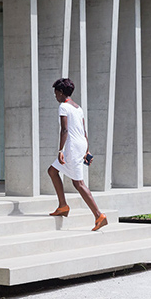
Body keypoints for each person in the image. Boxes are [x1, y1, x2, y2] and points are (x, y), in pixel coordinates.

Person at [47, 78, 108, 231]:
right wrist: (87, 149)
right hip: (81, 144)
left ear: (61, 93)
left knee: (78, 183)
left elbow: (65, 130)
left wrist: (60, 150)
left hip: (72, 147)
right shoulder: (78, 108)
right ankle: (63, 205)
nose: (55, 96)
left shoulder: (64, 107)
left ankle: (99, 215)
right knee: (52, 171)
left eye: (56, 94)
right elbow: (84, 130)